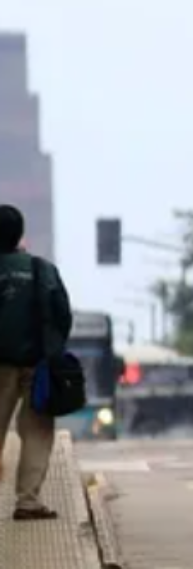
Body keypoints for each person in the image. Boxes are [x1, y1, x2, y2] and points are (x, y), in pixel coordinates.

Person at [0, 204, 71, 520]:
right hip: (37, 367)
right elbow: (62, 315)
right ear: (19, 234)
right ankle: (28, 502)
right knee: (37, 432)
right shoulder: (42, 270)